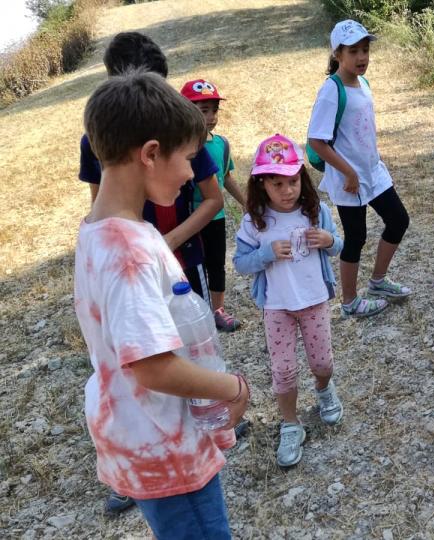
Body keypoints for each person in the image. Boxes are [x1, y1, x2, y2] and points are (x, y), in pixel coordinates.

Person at [74, 70, 249, 539]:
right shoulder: (129, 251)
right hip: (165, 447)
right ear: (150, 153)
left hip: (144, 433)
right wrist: (232, 387)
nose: (194, 173)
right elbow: (150, 366)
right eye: (189, 158)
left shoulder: (97, 228)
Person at [79, 32, 224, 299]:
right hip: (134, 264)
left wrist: (168, 242)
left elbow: (213, 199)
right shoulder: (95, 141)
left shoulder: (179, 134)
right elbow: (98, 202)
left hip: (183, 260)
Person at [233, 134, 344, 467]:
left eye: (293, 181)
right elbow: (240, 263)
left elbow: (339, 246)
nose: (287, 190)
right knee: (283, 370)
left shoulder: (317, 211)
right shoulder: (255, 221)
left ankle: (325, 389)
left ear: (302, 179)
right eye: (277, 184)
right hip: (277, 306)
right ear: (262, 183)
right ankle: (290, 423)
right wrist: (265, 254)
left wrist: (328, 240)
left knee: (322, 363)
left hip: (314, 301)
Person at [307, 19, 411, 318]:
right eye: (353, 51)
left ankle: (377, 282)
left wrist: (367, 165)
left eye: (365, 50)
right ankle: (350, 302)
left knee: (398, 220)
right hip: (348, 179)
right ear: (337, 53)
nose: (362, 57)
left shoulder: (363, 83)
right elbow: (317, 140)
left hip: (372, 172)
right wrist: (349, 173)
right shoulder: (331, 90)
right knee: (356, 238)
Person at [180, 78, 246, 331]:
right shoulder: (180, 148)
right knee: (192, 264)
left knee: (216, 263)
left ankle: (218, 309)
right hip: (188, 219)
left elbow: (226, 178)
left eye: (213, 110)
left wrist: (245, 202)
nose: (210, 117)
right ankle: (195, 311)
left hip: (215, 218)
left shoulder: (221, 145)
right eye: (202, 111)